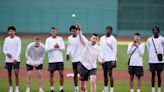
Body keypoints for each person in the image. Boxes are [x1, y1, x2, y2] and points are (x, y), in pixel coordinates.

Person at [45, 27, 65, 92]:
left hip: (59, 60)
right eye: (52, 31)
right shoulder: (48, 39)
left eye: (54, 31)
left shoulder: (60, 38)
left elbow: (63, 48)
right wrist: (53, 47)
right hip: (51, 60)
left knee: (61, 74)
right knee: (51, 74)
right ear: (50, 32)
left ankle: (61, 88)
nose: (53, 32)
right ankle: (52, 89)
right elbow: (46, 49)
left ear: (56, 32)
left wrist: (58, 47)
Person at [3, 26, 21, 92]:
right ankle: (10, 87)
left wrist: (15, 59)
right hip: (8, 60)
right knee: (9, 74)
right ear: (8, 32)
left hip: (16, 60)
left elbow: (19, 50)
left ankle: (17, 87)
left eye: (12, 31)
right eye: (10, 31)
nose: (11, 32)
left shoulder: (18, 39)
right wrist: (6, 53)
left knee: (16, 73)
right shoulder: (6, 39)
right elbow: (4, 49)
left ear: (14, 32)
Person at [66, 25, 84, 92]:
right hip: (74, 58)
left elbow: (81, 34)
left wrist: (79, 29)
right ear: (70, 32)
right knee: (75, 73)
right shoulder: (69, 38)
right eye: (72, 31)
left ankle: (82, 87)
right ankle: (76, 88)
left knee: (80, 71)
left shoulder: (79, 36)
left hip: (80, 58)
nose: (73, 32)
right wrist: (67, 53)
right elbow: (69, 46)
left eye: (74, 31)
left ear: (76, 31)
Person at [100, 26, 117, 92]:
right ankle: (106, 89)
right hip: (104, 59)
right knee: (104, 74)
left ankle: (111, 89)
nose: (107, 31)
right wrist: (101, 58)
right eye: (106, 30)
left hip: (110, 60)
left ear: (111, 31)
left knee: (110, 74)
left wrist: (113, 60)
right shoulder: (102, 38)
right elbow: (100, 49)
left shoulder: (113, 39)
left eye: (109, 30)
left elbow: (115, 50)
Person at [147, 26, 164, 92]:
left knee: (159, 75)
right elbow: (148, 49)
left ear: (159, 31)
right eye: (154, 30)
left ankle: (159, 89)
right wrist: (151, 56)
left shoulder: (162, 39)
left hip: (160, 61)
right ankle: (153, 89)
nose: (155, 31)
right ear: (152, 31)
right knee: (153, 75)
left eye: (156, 30)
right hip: (152, 61)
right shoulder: (149, 39)